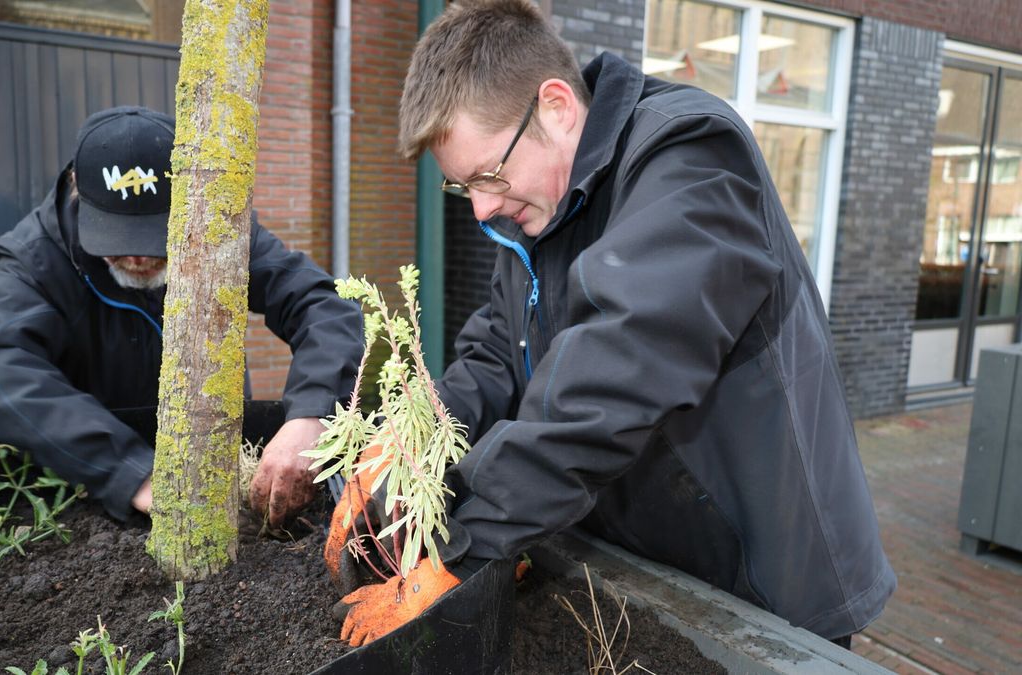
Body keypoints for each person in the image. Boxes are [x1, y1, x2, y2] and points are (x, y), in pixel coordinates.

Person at [336, 0, 895, 648]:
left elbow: (616, 368)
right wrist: (412, 450)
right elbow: (498, 351)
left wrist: (463, 541)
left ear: (556, 107)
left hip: (763, 584)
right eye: (465, 188)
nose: (483, 208)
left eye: (488, 175)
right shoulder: (533, 207)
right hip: (649, 567)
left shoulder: (691, 158)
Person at [0, 106, 363, 527]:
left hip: (216, 457)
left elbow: (321, 302)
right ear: (78, 190)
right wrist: (130, 472)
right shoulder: (37, 258)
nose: (140, 256)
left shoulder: (218, 227)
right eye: (117, 236)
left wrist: (311, 414)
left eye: (157, 234)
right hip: (96, 487)